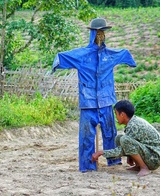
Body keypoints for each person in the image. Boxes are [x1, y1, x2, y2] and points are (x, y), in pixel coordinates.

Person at [52, 18, 136, 172]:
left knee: (110, 133)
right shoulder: (82, 55)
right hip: (88, 101)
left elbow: (124, 53)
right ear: (92, 34)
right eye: (98, 32)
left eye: (102, 32)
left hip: (105, 100)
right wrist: (56, 65)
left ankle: (113, 161)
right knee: (86, 137)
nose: (100, 35)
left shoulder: (109, 55)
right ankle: (88, 165)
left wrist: (130, 61)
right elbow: (62, 57)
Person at [91, 100, 160, 176]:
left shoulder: (133, 126)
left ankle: (144, 167)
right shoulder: (133, 121)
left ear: (122, 114)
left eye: (116, 114)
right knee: (119, 139)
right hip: (150, 153)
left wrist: (101, 153)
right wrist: (130, 156)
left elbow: (120, 151)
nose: (116, 117)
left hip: (154, 159)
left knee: (124, 140)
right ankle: (138, 165)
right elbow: (132, 143)